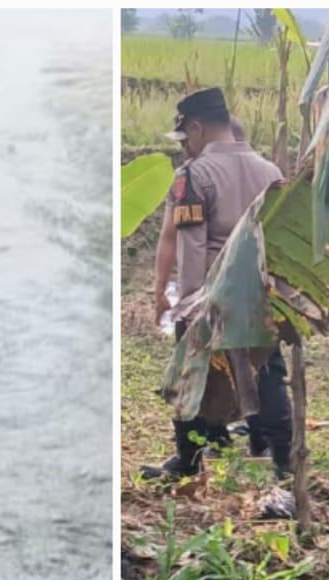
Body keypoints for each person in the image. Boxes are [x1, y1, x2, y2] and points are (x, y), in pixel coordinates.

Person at [140, 88, 290, 480]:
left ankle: (187, 458)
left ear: (197, 127)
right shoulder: (270, 172)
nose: (186, 146)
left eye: (185, 137)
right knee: (269, 372)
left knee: (191, 374)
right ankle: (285, 462)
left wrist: (189, 306)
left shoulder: (194, 175)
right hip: (259, 291)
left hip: (213, 292)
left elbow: (192, 246)